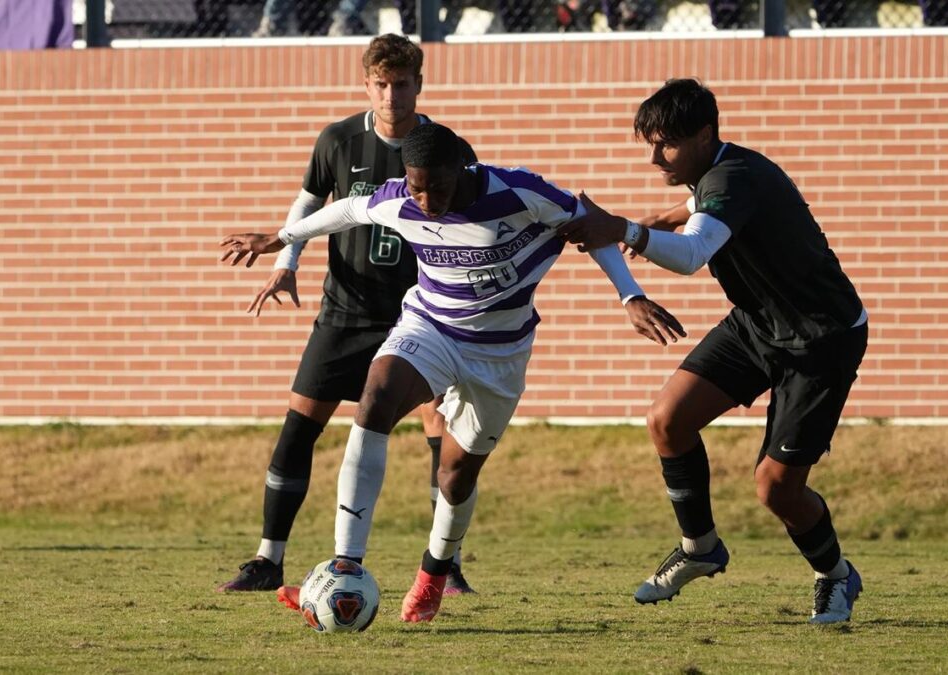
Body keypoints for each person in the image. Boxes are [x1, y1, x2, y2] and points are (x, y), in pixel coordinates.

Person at [220, 122, 686, 623]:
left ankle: (434, 574)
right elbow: (347, 210)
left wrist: (630, 294)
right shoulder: (399, 200)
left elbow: (593, 228)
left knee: (455, 474)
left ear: (462, 170)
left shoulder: (519, 191)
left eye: (436, 186)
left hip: (499, 354)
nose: (425, 198)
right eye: (416, 185)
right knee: (375, 398)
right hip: (431, 327)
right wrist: (278, 238)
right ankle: (346, 563)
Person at [558, 79, 868, 624]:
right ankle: (700, 548)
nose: (655, 157)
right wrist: (662, 219)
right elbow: (698, 208)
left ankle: (835, 575)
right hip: (756, 326)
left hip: (821, 340)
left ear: (705, 136)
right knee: (667, 420)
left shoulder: (734, 176)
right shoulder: (715, 173)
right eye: (650, 144)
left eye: (667, 145)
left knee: (775, 489)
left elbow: (695, 254)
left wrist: (627, 227)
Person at [216, 35, 479, 596]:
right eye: (381, 84)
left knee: (440, 433)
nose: (391, 95)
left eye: (402, 83)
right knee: (298, 427)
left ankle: (444, 565)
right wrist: (287, 262)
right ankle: (268, 560)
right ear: (367, 85)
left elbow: (470, 218)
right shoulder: (337, 140)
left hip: (420, 315)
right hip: (345, 311)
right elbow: (310, 205)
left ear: (419, 85)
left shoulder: (446, 145)